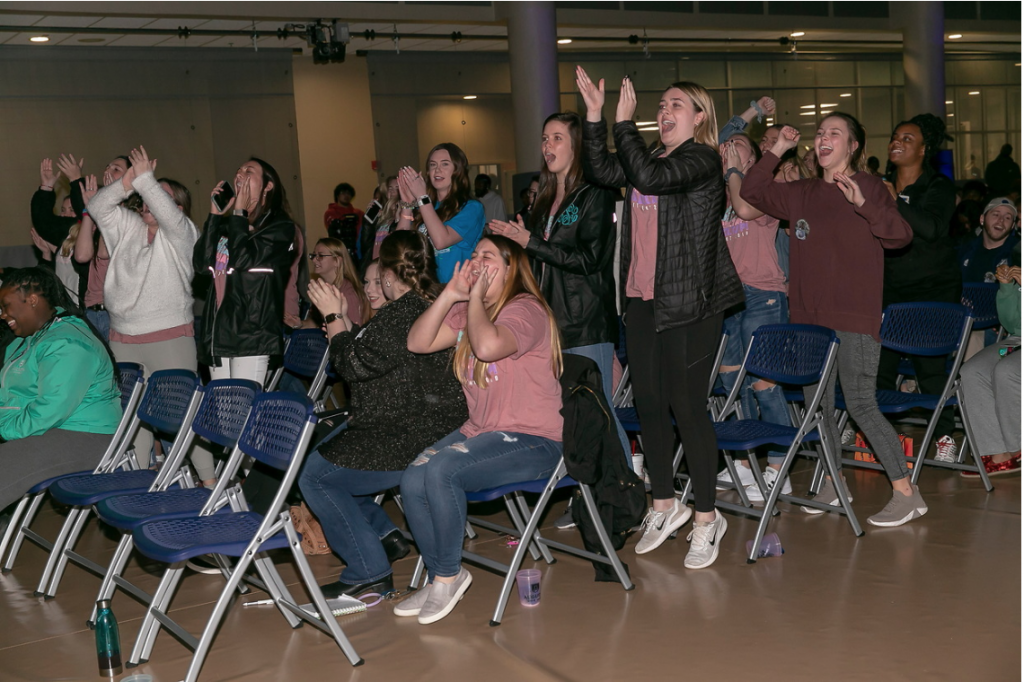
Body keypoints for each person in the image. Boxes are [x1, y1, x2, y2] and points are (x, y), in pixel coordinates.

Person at [577, 67, 743, 567]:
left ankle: (708, 519)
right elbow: (601, 172)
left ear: (699, 116)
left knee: (686, 406)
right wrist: (595, 118)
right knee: (649, 403)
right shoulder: (649, 154)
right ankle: (665, 503)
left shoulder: (702, 160)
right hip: (643, 299)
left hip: (690, 302)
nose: (664, 111)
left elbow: (649, 180)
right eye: (662, 104)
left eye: (676, 105)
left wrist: (624, 125)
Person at [741, 114, 926, 528]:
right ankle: (833, 479)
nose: (824, 139)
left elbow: (900, 236)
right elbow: (751, 190)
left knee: (860, 402)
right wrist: (774, 150)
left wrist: (865, 206)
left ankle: (906, 493)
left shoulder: (871, 187)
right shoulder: (801, 192)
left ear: (853, 146)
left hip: (854, 317)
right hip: (808, 320)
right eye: (820, 133)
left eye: (835, 134)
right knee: (817, 408)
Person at [401, 235, 563, 624]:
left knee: (442, 471)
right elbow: (417, 343)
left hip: (536, 441)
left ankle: (447, 575)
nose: (476, 261)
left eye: (487, 256)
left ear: (511, 269)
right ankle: (442, 571)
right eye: (474, 255)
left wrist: (472, 298)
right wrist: (451, 294)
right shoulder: (469, 312)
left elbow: (488, 347)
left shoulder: (526, 311)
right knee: (412, 478)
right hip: (483, 432)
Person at [298, 231, 467, 599]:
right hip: (430, 425)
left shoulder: (400, 313)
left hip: (406, 434)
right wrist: (343, 318)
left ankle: (368, 569)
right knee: (329, 457)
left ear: (390, 275)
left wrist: (331, 315)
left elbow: (352, 365)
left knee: (315, 476)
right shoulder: (431, 303)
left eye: (379, 278)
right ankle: (385, 537)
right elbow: (375, 352)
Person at [490, 111, 630, 466]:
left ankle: (623, 494)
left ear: (577, 146)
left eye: (557, 138)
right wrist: (520, 243)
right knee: (567, 416)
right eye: (544, 139)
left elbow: (590, 260)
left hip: (585, 321)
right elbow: (542, 256)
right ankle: (586, 496)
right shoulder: (545, 197)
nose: (547, 146)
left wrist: (531, 242)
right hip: (549, 321)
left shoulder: (595, 193)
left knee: (599, 413)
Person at [88, 146, 200, 473]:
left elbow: (170, 217)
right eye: (146, 195)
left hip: (169, 339)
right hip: (123, 338)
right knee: (133, 417)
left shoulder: (184, 234)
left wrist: (148, 180)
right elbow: (97, 205)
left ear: (175, 207)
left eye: (159, 196)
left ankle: (209, 483)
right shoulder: (128, 227)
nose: (149, 200)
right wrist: (127, 182)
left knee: (179, 418)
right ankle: (141, 479)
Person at [0, 267, 122, 513]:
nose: (2, 315)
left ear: (32, 300)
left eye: (5, 306)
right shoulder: (27, 340)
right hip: (45, 429)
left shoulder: (67, 344)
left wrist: (5, 428)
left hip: (86, 437)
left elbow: (49, 410)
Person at [876, 114, 960, 462]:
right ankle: (874, 435)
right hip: (890, 289)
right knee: (879, 365)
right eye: (895, 136)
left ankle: (945, 436)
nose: (897, 141)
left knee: (929, 371)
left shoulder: (937, 186)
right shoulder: (880, 185)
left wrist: (895, 199)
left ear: (924, 150)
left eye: (907, 139)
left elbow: (932, 228)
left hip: (932, 291)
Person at [714, 132, 792, 502]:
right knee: (732, 383)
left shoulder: (766, 188)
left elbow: (747, 209)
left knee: (765, 383)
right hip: (730, 299)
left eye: (738, 145)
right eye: (726, 146)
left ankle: (778, 465)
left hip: (764, 294)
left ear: (754, 157)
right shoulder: (719, 197)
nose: (729, 148)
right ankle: (745, 462)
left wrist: (732, 169)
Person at [193, 157, 299, 389]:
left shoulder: (281, 228)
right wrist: (214, 216)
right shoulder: (227, 226)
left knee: (240, 412)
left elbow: (242, 259)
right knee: (222, 413)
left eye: (249, 171)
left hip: (251, 333)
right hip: (218, 334)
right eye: (238, 170)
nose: (240, 174)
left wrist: (239, 214)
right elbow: (201, 265)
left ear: (268, 186)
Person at [959, 244, 1020, 478]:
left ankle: (1017, 446)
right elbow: (1012, 324)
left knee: (1007, 371)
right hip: (1016, 343)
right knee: (972, 371)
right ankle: (996, 451)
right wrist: (1006, 289)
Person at [396, 143, 485, 283]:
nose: (437, 170)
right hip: (423, 287)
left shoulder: (472, 208)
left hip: (455, 291)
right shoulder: (425, 205)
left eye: (444, 164)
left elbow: (441, 241)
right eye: (432, 165)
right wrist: (407, 204)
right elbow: (399, 246)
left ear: (458, 170)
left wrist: (421, 197)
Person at [74, 156, 134, 342]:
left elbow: (104, 252)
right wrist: (89, 209)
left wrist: (108, 200)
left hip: (116, 313)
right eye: (107, 167)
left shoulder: (132, 214)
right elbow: (82, 256)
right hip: (92, 310)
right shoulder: (101, 211)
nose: (108, 171)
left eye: (116, 169)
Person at [286, 238, 368, 329]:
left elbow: (355, 333)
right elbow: (318, 323)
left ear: (337, 261)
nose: (314, 260)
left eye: (320, 256)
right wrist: (300, 324)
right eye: (313, 255)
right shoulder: (324, 288)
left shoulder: (348, 293)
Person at [959, 198, 1019, 284]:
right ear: (982, 219)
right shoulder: (964, 250)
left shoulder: (1018, 255)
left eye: (1007, 218)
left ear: (1012, 225)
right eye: (996, 215)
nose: (1001, 220)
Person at [324, 182, 363, 262]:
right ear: (337, 195)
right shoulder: (330, 213)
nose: (346, 196)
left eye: (348, 193)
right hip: (338, 250)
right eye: (343, 193)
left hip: (357, 250)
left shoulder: (358, 213)